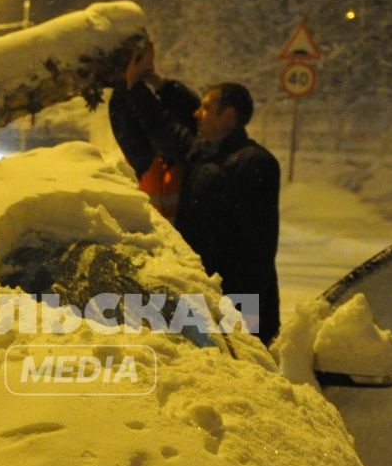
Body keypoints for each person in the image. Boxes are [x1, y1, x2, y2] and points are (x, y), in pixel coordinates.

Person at [108, 39, 282, 342]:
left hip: (239, 304)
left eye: (206, 108)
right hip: (206, 295)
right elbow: (166, 129)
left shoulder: (255, 164)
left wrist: (242, 318)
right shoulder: (204, 153)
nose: (197, 114)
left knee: (243, 375)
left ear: (228, 116)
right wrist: (147, 83)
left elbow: (258, 252)